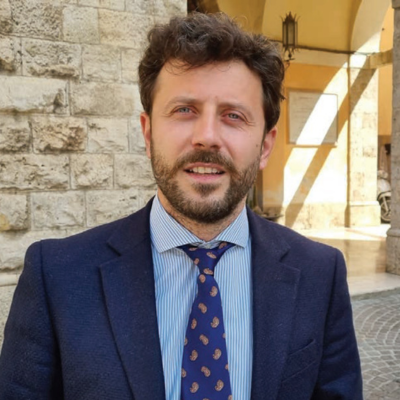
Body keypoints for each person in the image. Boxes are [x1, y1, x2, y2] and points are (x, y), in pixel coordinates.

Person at [0, 12, 362, 400]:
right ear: (148, 133)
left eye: (233, 115)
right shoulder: (57, 277)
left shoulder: (319, 275)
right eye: (184, 110)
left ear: (265, 146)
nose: (207, 137)